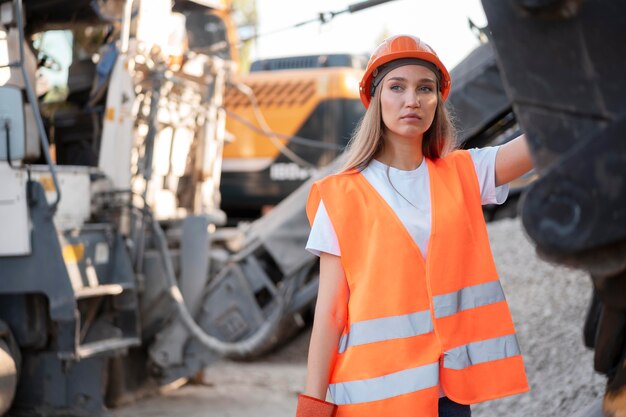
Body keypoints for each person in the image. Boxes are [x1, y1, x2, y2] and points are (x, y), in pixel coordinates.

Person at [295, 34, 533, 417]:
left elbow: (541, 144)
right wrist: (312, 404)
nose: (412, 100)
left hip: (450, 397)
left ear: (438, 100)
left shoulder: (463, 173)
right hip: (371, 401)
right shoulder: (341, 194)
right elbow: (330, 314)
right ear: (375, 99)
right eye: (397, 87)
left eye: (425, 88)